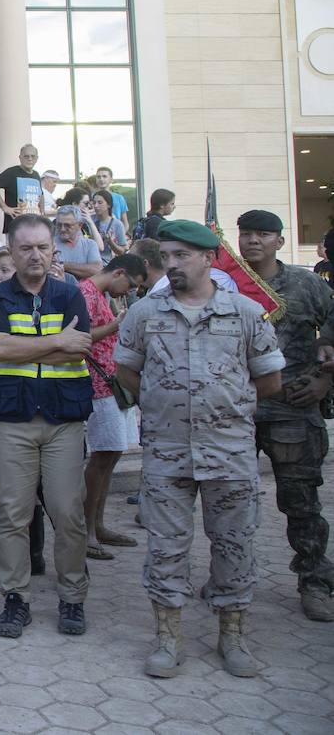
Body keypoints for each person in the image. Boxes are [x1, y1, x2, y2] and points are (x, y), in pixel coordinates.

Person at [114, 220, 285, 677]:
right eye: (166, 257)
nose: (171, 265)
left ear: (209, 259)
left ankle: (232, 636)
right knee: (166, 546)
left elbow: (269, 380)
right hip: (167, 453)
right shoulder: (144, 314)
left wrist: (224, 406)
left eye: (181, 256)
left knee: (234, 544)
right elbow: (128, 373)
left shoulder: (245, 313)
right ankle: (168, 638)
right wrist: (162, 402)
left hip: (228, 453)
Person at [0, 214, 92, 639]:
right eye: (25, 248)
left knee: (68, 512)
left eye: (43, 247)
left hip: (63, 420)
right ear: (10, 250)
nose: (35, 256)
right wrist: (56, 342)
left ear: (53, 251)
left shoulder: (70, 294)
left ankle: (72, 598)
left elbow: (78, 350)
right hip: (14, 419)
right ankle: (16, 598)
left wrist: (39, 348)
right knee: (13, 513)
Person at [235, 210, 334, 622]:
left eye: (264, 234)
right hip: (234, 410)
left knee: (301, 503)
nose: (253, 241)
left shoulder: (306, 284)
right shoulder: (223, 282)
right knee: (230, 503)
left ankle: (315, 580)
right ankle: (231, 578)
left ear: (279, 239)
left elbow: (331, 325)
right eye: (246, 234)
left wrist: (326, 382)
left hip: (291, 408)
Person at [78, 254, 148, 561]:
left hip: (112, 385)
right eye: (130, 284)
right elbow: (78, 338)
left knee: (112, 455)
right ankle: (86, 531)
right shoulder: (85, 292)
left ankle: (99, 525)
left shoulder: (101, 294)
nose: (128, 291)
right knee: (102, 458)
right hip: (97, 386)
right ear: (119, 272)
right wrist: (115, 326)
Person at [0, 144, 42, 235]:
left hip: (34, 226)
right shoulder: (12, 172)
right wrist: (4, 207)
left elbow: (41, 195)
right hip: (16, 228)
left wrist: (42, 213)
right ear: (20, 158)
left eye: (32, 156)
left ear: (37, 158)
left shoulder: (36, 175)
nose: (29, 159)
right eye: (26, 156)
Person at [54, 206, 103, 279]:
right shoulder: (49, 244)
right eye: (59, 225)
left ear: (80, 225)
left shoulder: (90, 245)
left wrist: (63, 264)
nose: (62, 229)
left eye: (68, 225)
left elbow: (96, 270)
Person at [91, 189, 129, 261]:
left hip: (107, 262)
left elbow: (122, 251)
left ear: (108, 204)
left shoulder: (117, 224)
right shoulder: (89, 220)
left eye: (100, 202)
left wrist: (111, 242)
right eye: (94, 203)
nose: (96, 206)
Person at [94, 166, 130, 233]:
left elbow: (125, 223)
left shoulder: (119, 198)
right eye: (98, 177)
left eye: (104, 176)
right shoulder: (92, 197)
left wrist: (120, 236)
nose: (101, 179)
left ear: (111, 179)